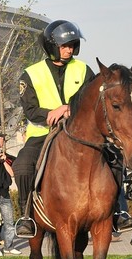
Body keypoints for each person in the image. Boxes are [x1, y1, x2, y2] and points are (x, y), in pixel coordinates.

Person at [13, 20, 96, 237]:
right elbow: (31, 110)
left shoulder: (84, 70)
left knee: (112, 157)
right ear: (52, 46)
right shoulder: (30, 74)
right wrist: (52, 114)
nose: (69, 50)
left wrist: (67, 109)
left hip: (79, 133)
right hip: (42, 133)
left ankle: (118, 212)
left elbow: (93, 102)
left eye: (72, 45)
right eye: (64, 45)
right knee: (22, 165)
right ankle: (26, 216)